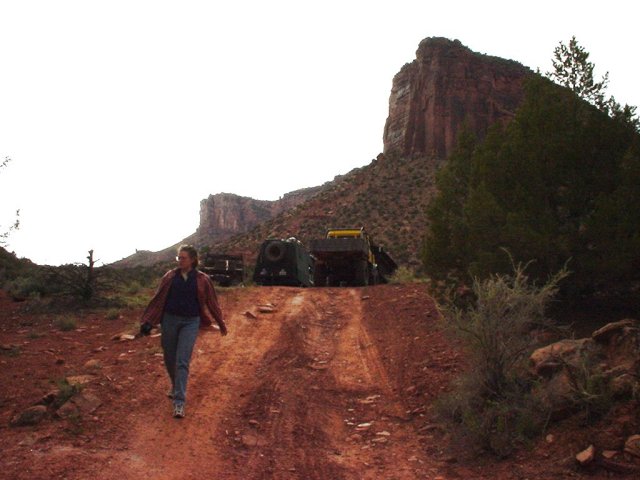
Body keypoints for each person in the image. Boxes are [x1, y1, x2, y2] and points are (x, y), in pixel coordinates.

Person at [140, 245, 228, 418]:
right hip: (170, 320)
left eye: (183, 258)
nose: (180, 261)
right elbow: (158, 300)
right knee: (169, 357)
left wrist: (220, 323)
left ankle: (179, 402)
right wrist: (148, 321)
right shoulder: (170, 277)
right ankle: (175, 385)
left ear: (193, 260)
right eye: (178, 258)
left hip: (191, 322)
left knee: (182, 361)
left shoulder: (203, 279)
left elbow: (212, 303)